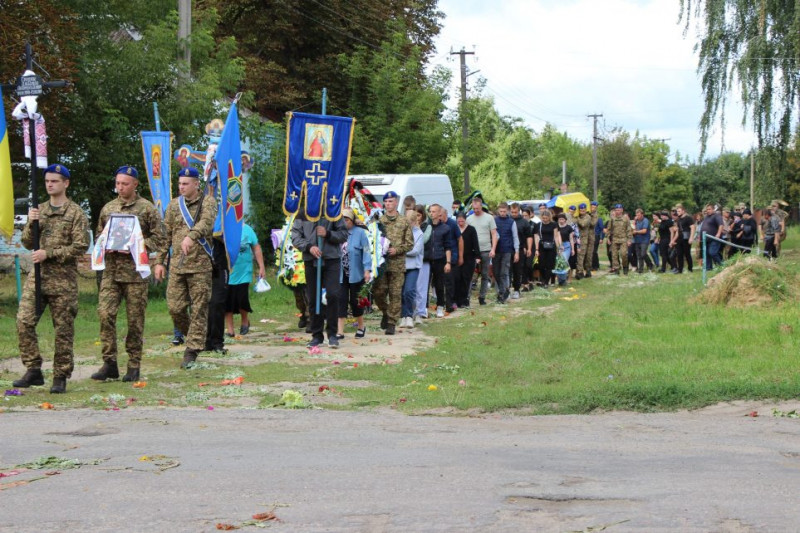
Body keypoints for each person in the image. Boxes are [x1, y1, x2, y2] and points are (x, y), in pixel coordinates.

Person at [13, 164, 89, 393]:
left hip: (62, 281)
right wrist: (31, 222)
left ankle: (60, 375)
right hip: (37, 278)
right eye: (47, 181)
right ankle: (33, 369)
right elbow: (27, 242)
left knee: (63, 330)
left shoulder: (75, 212)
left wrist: (51, 253)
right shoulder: (40, 210)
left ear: (66, 183)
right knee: (24, 321)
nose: (49, 184)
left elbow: (80, 246)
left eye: (55, 181)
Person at [91, 165, 165, 383]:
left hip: (135, 275)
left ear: (135, 184)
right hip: (111, 274)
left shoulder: (147, 209)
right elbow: (98, 235)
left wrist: (137, 246)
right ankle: (109, 363)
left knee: (135, 321)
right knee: (105, 314)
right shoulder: (108, 209)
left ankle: (134, 364)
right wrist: (105, 245)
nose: (120, 188)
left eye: (124, 184)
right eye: (117, 183)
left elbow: (160, 238)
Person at [154, 166, 218, 368]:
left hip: (200, 265)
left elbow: (207, 222)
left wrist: (192, 236)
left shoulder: (208, 201)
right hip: (177, 266)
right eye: (179, 183)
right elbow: (165, 235)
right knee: (175, 307)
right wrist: (159, 261)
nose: (181, 187)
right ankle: (195, 336)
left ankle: (191, 350)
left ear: (196, 184)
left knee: (199, 309)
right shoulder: (174, 206)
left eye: (185, 184)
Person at [291, 208, 347, 347]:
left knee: (333, 295)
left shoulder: (333, 211)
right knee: (313, 297)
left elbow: (343, 234)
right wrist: (309, 247)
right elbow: (295, 236)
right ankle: (317, 335)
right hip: (311, 259)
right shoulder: (302, 212)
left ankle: (332, 334)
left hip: (331, 258)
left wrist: (328, 234)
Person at [373, 191, 413, 335]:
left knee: (395, 294)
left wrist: (397, 250)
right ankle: (385, 311)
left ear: (396, 203)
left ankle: (391, 322)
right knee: (378, 292)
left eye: (391, 201)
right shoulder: (379, 221)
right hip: (382, 264)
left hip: (397, 264)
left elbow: (410, 244)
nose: (388, 204)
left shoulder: (404, 221)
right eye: (386, 202)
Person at [224, 223, 266, 337]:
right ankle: (230, 329)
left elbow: (256, 248)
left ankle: (244, 321)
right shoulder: (223, 227)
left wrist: (261, 266)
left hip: (244, 271)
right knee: (227, 300)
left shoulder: (247, 229)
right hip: (227, 271)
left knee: (242, 298)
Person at [336, 208, 371, 339]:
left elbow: (366, 251)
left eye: (347, 220)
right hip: (341, 274)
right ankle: (340, 331)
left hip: (356, 273)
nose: (344, 222)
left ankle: (361, 326)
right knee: (341, 300)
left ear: (352, 220)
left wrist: (367, 270)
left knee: (356, 301)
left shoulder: (360, 233)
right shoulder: (338, 233)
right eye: (342, 220)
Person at [466, 195, 497, 305]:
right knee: (470, 275)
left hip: (486, 250)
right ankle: (467, 297)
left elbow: (494, 234)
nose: (476, 211)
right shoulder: (469, 219)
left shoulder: (489, 218)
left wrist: (493, 249)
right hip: (473, 251)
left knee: (485, 274)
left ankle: (482, 297)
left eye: (477, 208)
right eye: (474, 209)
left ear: (481, 206)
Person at [399, 208, 424, 329]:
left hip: (413, 266)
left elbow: (415, 251)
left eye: (410, 222)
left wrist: (402, 250)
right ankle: (403, 316)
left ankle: (409, 315)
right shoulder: (401, 231)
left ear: (414, 221)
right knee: (401, 292)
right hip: (401, 265)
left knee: (409, 291)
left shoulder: (419, 234)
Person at [429, 204, 454, 317]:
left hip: (440, 259)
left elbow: (448, 246)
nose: (431, 213)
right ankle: (424, 308)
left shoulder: (445, 228)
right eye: (430, 211)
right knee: (425, 285)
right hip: (427, 259)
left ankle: (440, 306)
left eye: (434, 211)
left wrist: (448, 262)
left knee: (439, 284)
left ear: (439, 213)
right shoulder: (427, 227)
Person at [492, 202, 519, 304]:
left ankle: (503, 293)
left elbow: (515, 237)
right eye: (501, 211)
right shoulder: (494, 221)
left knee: (504, 272)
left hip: (507, 250)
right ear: (498, 211)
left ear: (507, 211)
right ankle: (504, 290)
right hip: (496, 250)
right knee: (496, 272)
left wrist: (516, 251)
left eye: (504, 211)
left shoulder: (511, 222)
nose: (502, 213)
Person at [455, 211, 480, 308]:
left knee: (466, 279)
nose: (460, 222)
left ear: (465, 220)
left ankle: (465, 300)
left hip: (469, 257)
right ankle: (457, 300)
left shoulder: (471, 229)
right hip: (457, 257)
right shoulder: (455, 229)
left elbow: (475, 243)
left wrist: (478, 256)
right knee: (457, 278)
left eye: (462, 220)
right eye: (459, 220)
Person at [415, 204, 433, 324]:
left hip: (424, 260)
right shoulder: (409, 227)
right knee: (413, 287)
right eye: (415, 215)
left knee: (422, 287)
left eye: (419, 215)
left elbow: (423, 240)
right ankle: (412, 311)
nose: (416, 217)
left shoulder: (427, 227)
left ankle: (421, 311)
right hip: (412, 261)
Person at [509, 202, 532, 298]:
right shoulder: (507, 220)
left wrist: (529, 248)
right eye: (512, 212)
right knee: (508, 270)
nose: (513, 214)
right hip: (508, 248)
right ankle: (507, 289)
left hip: (520, 248)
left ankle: (517, 289)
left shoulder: (524, 222)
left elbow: (529, 236)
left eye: (515, 212)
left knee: (517, 270)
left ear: (519, 211)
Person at [606, 204, 633, 275]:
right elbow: (608, 229)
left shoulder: (625, 218)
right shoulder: (612, 219)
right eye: (616, 210)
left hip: (623, 239)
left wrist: (629, 239)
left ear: (622, 210)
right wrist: (608, 238)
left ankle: (625, 267)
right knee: (614, 255)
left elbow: (629, 229)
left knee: (624, 254)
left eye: (619, 210)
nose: (617, 211)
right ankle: (616, 269)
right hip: (614, 239)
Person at [536, 210, 559, 288]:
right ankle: (543, 279)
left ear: (549, 217)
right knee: (541, 264)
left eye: (546, 218)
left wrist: (558, 247)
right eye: (543, 218)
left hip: (551, 246)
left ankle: (546, 281)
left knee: (550, 264)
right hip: (542, 246)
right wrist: (536, 249)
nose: (545, 219)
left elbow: (556, 236)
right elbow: (536, 237)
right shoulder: (539, 225)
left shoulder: (554, 224)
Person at [674, 204, 695, 273]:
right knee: (679, 254)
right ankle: (680, 269)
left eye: (679, 211)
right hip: (679, 238)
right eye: (677, 211)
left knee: (687, 254)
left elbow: (692, 227)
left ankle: (690, 268)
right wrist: (674, 240)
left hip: (686, 238)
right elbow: (677, 230)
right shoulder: (678, 219)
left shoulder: (688, 218)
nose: (678, 212)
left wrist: (691, 238)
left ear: (683, 211)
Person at [556, 213, 575, 285]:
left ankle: (566, 278)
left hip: (567, 246)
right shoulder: (556, 227)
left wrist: (573, 249)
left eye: (562, 219)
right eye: (559, 219)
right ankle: (560, 280)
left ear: (565, 220)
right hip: (559, 246)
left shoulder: (569, 228)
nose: (561, 221)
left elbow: (571, 239)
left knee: (564, 261)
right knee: (559, 262)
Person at [575, 203, 593, 279]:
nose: (582, 210)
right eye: (581, 209)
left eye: (584, 209)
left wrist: (577, 219)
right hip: (577, 238)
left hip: (584, 239)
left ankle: (584, 272)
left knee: (583, 256)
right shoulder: (578, 217)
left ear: (586, 210)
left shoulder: (588, 217)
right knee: (579, 256)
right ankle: (579, 271)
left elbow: (583, 224)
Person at [591, 202, 603, 271]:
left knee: (594, 251)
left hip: (596, 235)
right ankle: (592, 265)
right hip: (590, 235)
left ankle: (596, 266)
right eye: (592, 207)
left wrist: (601, 238)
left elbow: (602, 228)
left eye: (594, 207)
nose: (593, 208)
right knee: (591, 251)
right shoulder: (589, 216)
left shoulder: (598, 217)